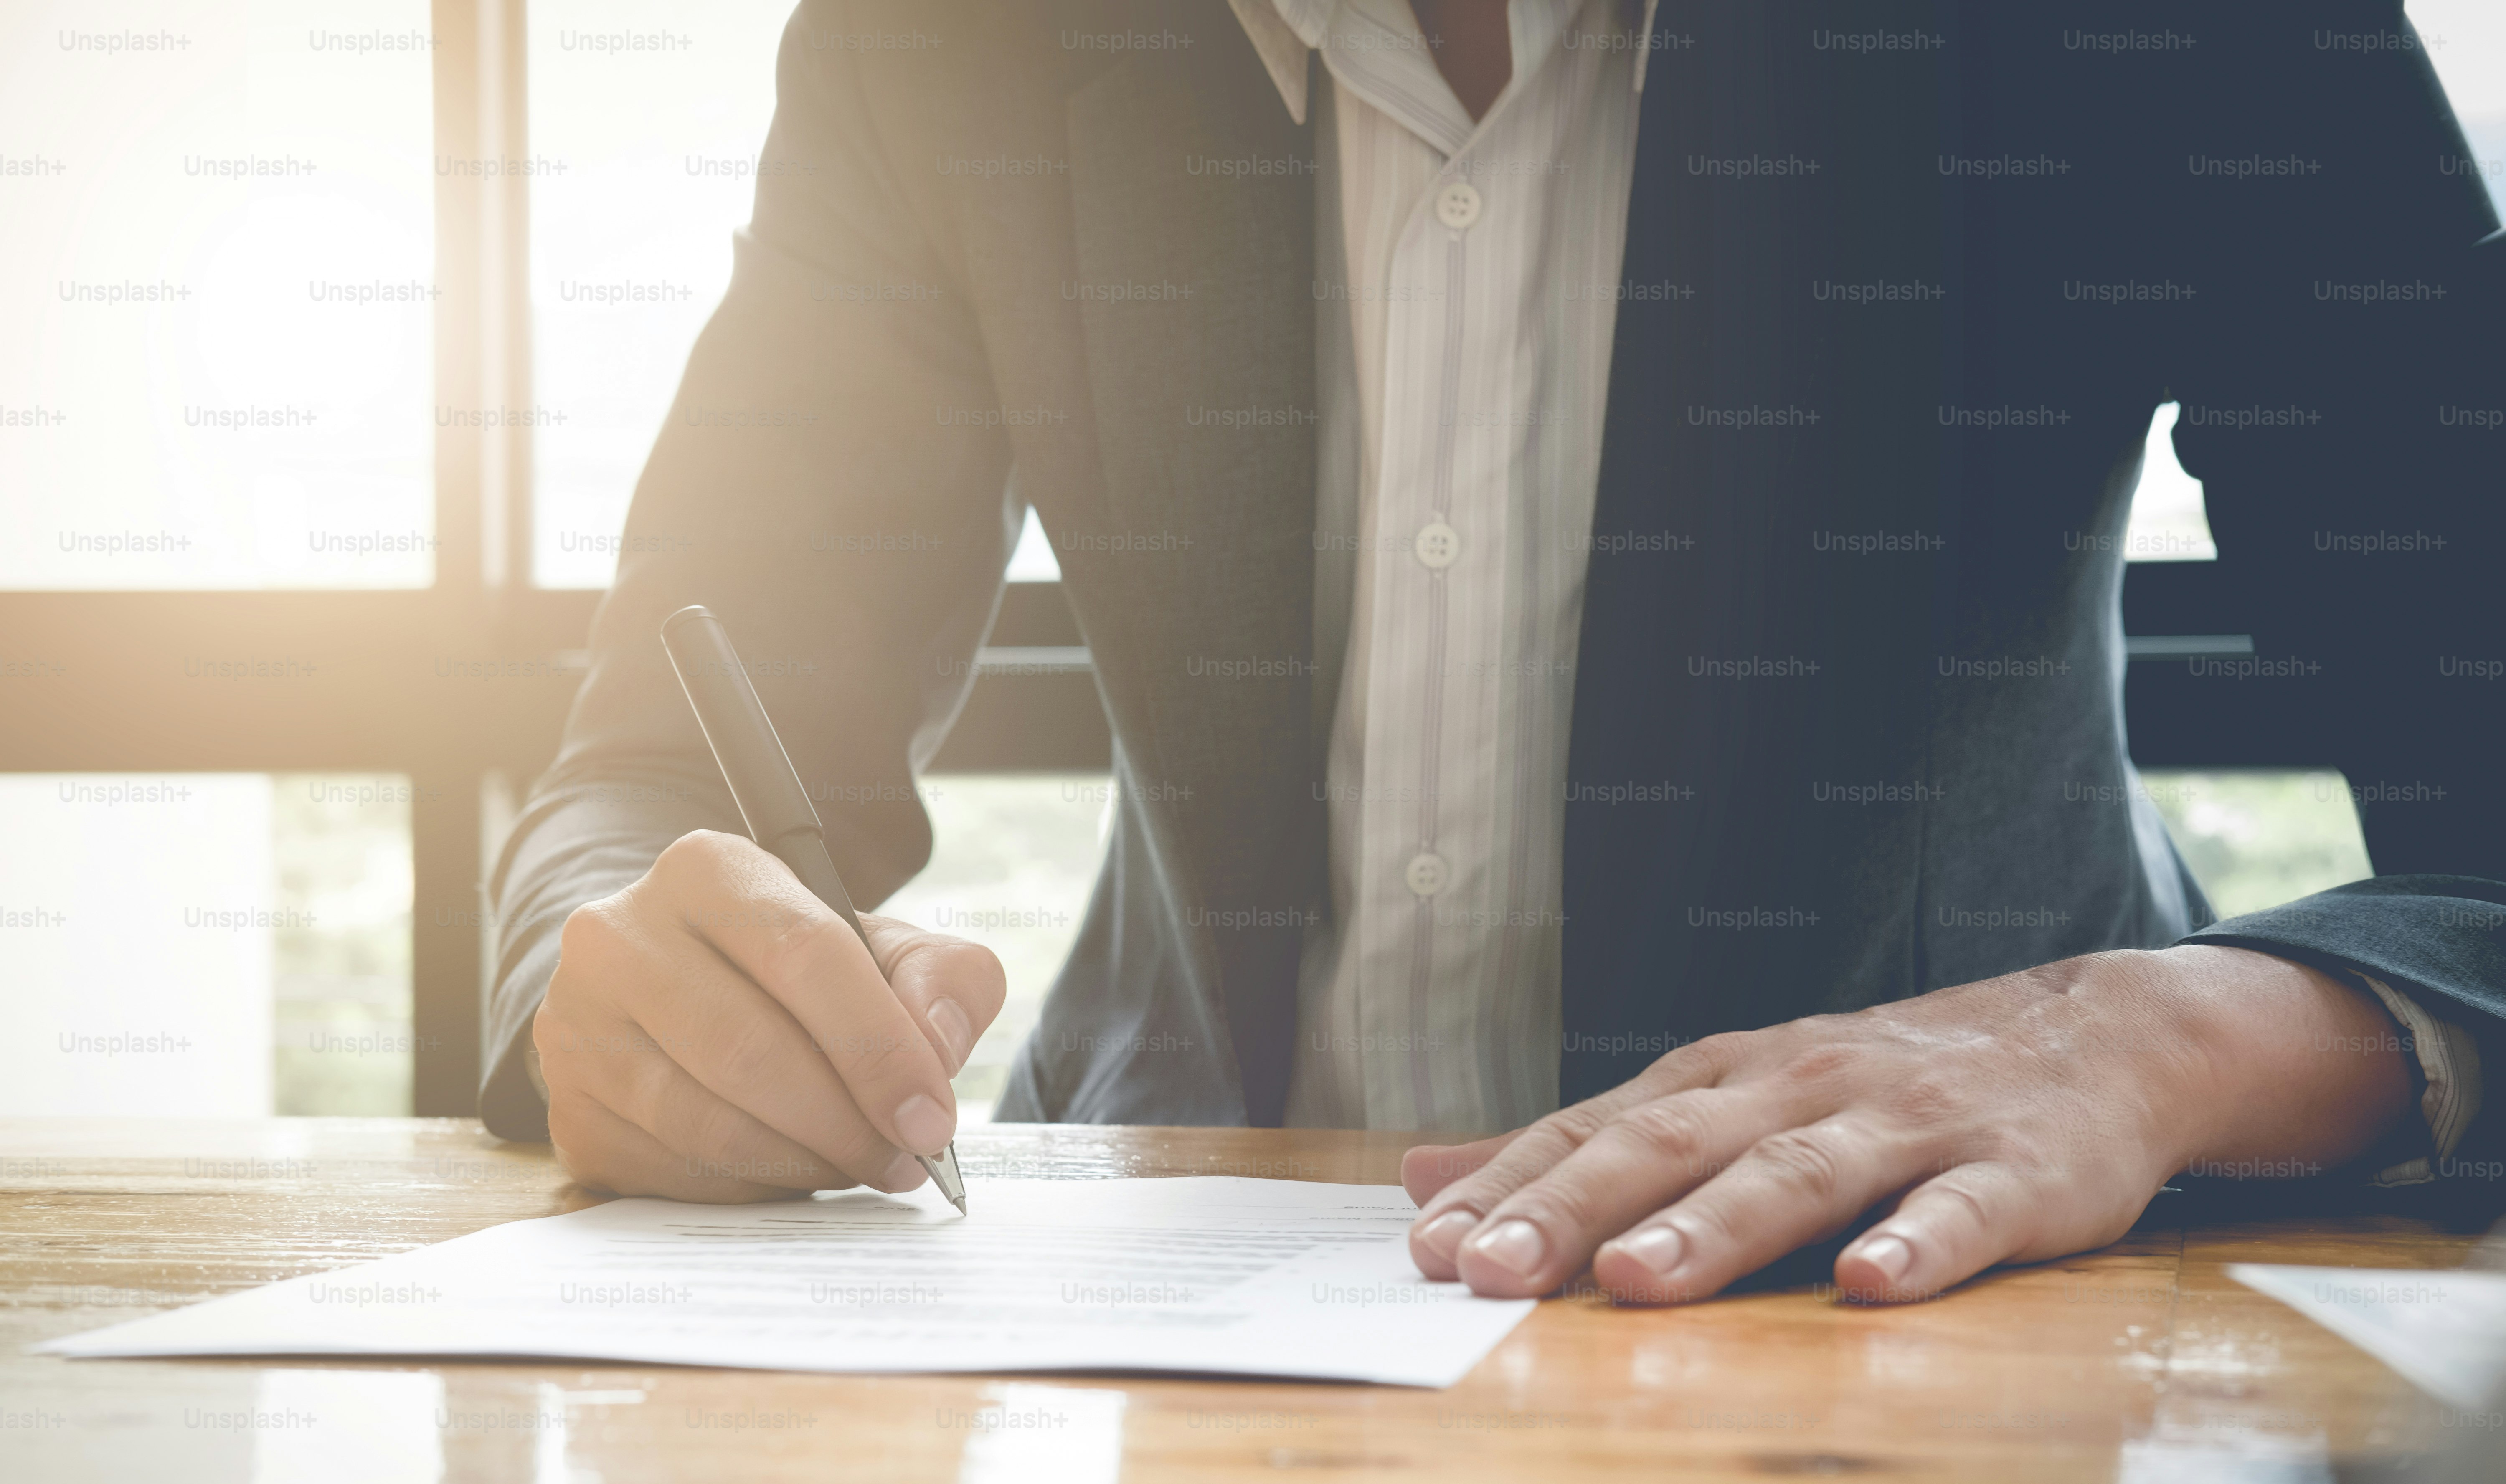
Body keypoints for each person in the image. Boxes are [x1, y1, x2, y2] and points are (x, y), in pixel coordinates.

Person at [483, 0, 2506, 1305]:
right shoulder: (948, 43)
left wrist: (2151, 1040)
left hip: (1943, 1339)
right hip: (1167, 1361)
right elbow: (654, 780)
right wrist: (628, 969)